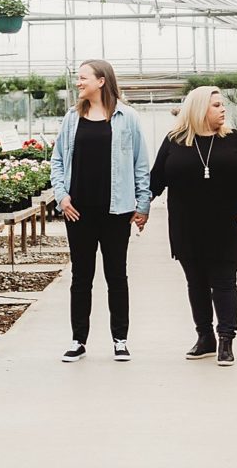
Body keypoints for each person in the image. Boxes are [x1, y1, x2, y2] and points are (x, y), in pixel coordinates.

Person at [149, 85, 237, 367]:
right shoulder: (175, 141)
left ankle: (226, 339)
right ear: (199, 109)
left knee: (224, 281)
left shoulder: (233, 140)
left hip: (227, 224)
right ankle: (204, 337)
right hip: (186, 225)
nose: (223, 110)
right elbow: (155, 180)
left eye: (222, 105)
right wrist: (138, 208)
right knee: (196, 283)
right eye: (216, 105)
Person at [48, 60, 151, 363]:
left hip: (116, 211)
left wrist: (142, 205)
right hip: (77, 211)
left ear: (102, 81)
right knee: (81, 276)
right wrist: (62, 197)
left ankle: (120, 339)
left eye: (83, 78)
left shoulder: (127, 118)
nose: (78, 83)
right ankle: (78, 340)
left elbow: (140, 164)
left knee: (116, 275)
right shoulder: (71, 118)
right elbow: (57, 160)